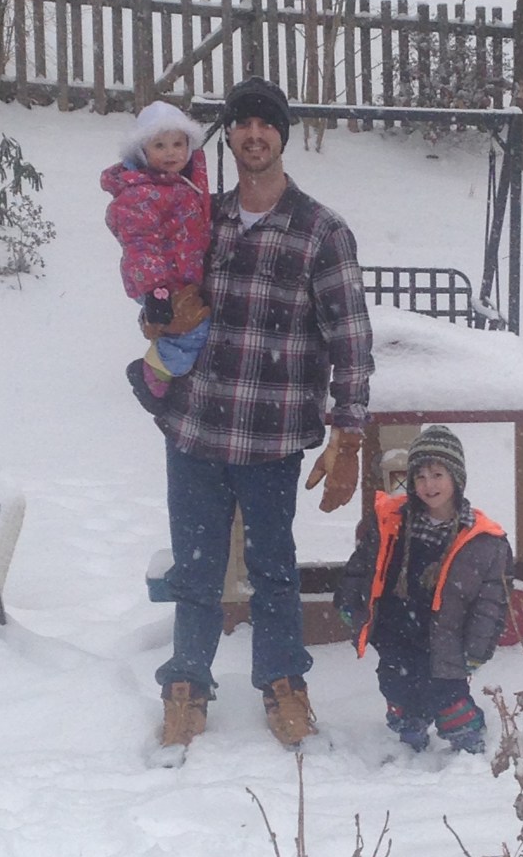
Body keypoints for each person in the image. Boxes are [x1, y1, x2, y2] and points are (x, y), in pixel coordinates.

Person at [150, 76, 374, 755]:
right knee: (196, 570)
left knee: (274, 570)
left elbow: (350, 339)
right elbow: (161, 289)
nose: (253, 135)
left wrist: (349, 432)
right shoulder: (202, 218)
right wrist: (158, 313)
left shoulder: (321, 231)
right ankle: (186, 686)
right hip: (194, 428)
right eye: (242, 124)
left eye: (265, 124)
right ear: (230, 137)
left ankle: (283, 684)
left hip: (271, 435)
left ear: (282, 135)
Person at [334, 426, 514, 754]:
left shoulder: (483, 540)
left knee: (447, 695)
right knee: (396, 684)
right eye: (420, 476)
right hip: (395, 626)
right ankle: (409, 731)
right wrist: (350, 601)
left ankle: (468, 740)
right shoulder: (393, 522)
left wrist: (478, 647)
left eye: (437, 475)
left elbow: (490, 603)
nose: (429, 485)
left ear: (456, 477)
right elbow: (362, 566)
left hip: (446, 634)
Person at [100, 100, 212, 409]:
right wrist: (156, 290)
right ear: (142, 151)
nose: (171, 152)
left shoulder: (181, 184)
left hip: (179, 279)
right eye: (160, 145)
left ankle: (165, 363)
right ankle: (152, 374)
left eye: (178, 144)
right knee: (193, 331)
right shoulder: (141, 193)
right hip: (160, 282)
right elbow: (140, 244)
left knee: (189, 326)